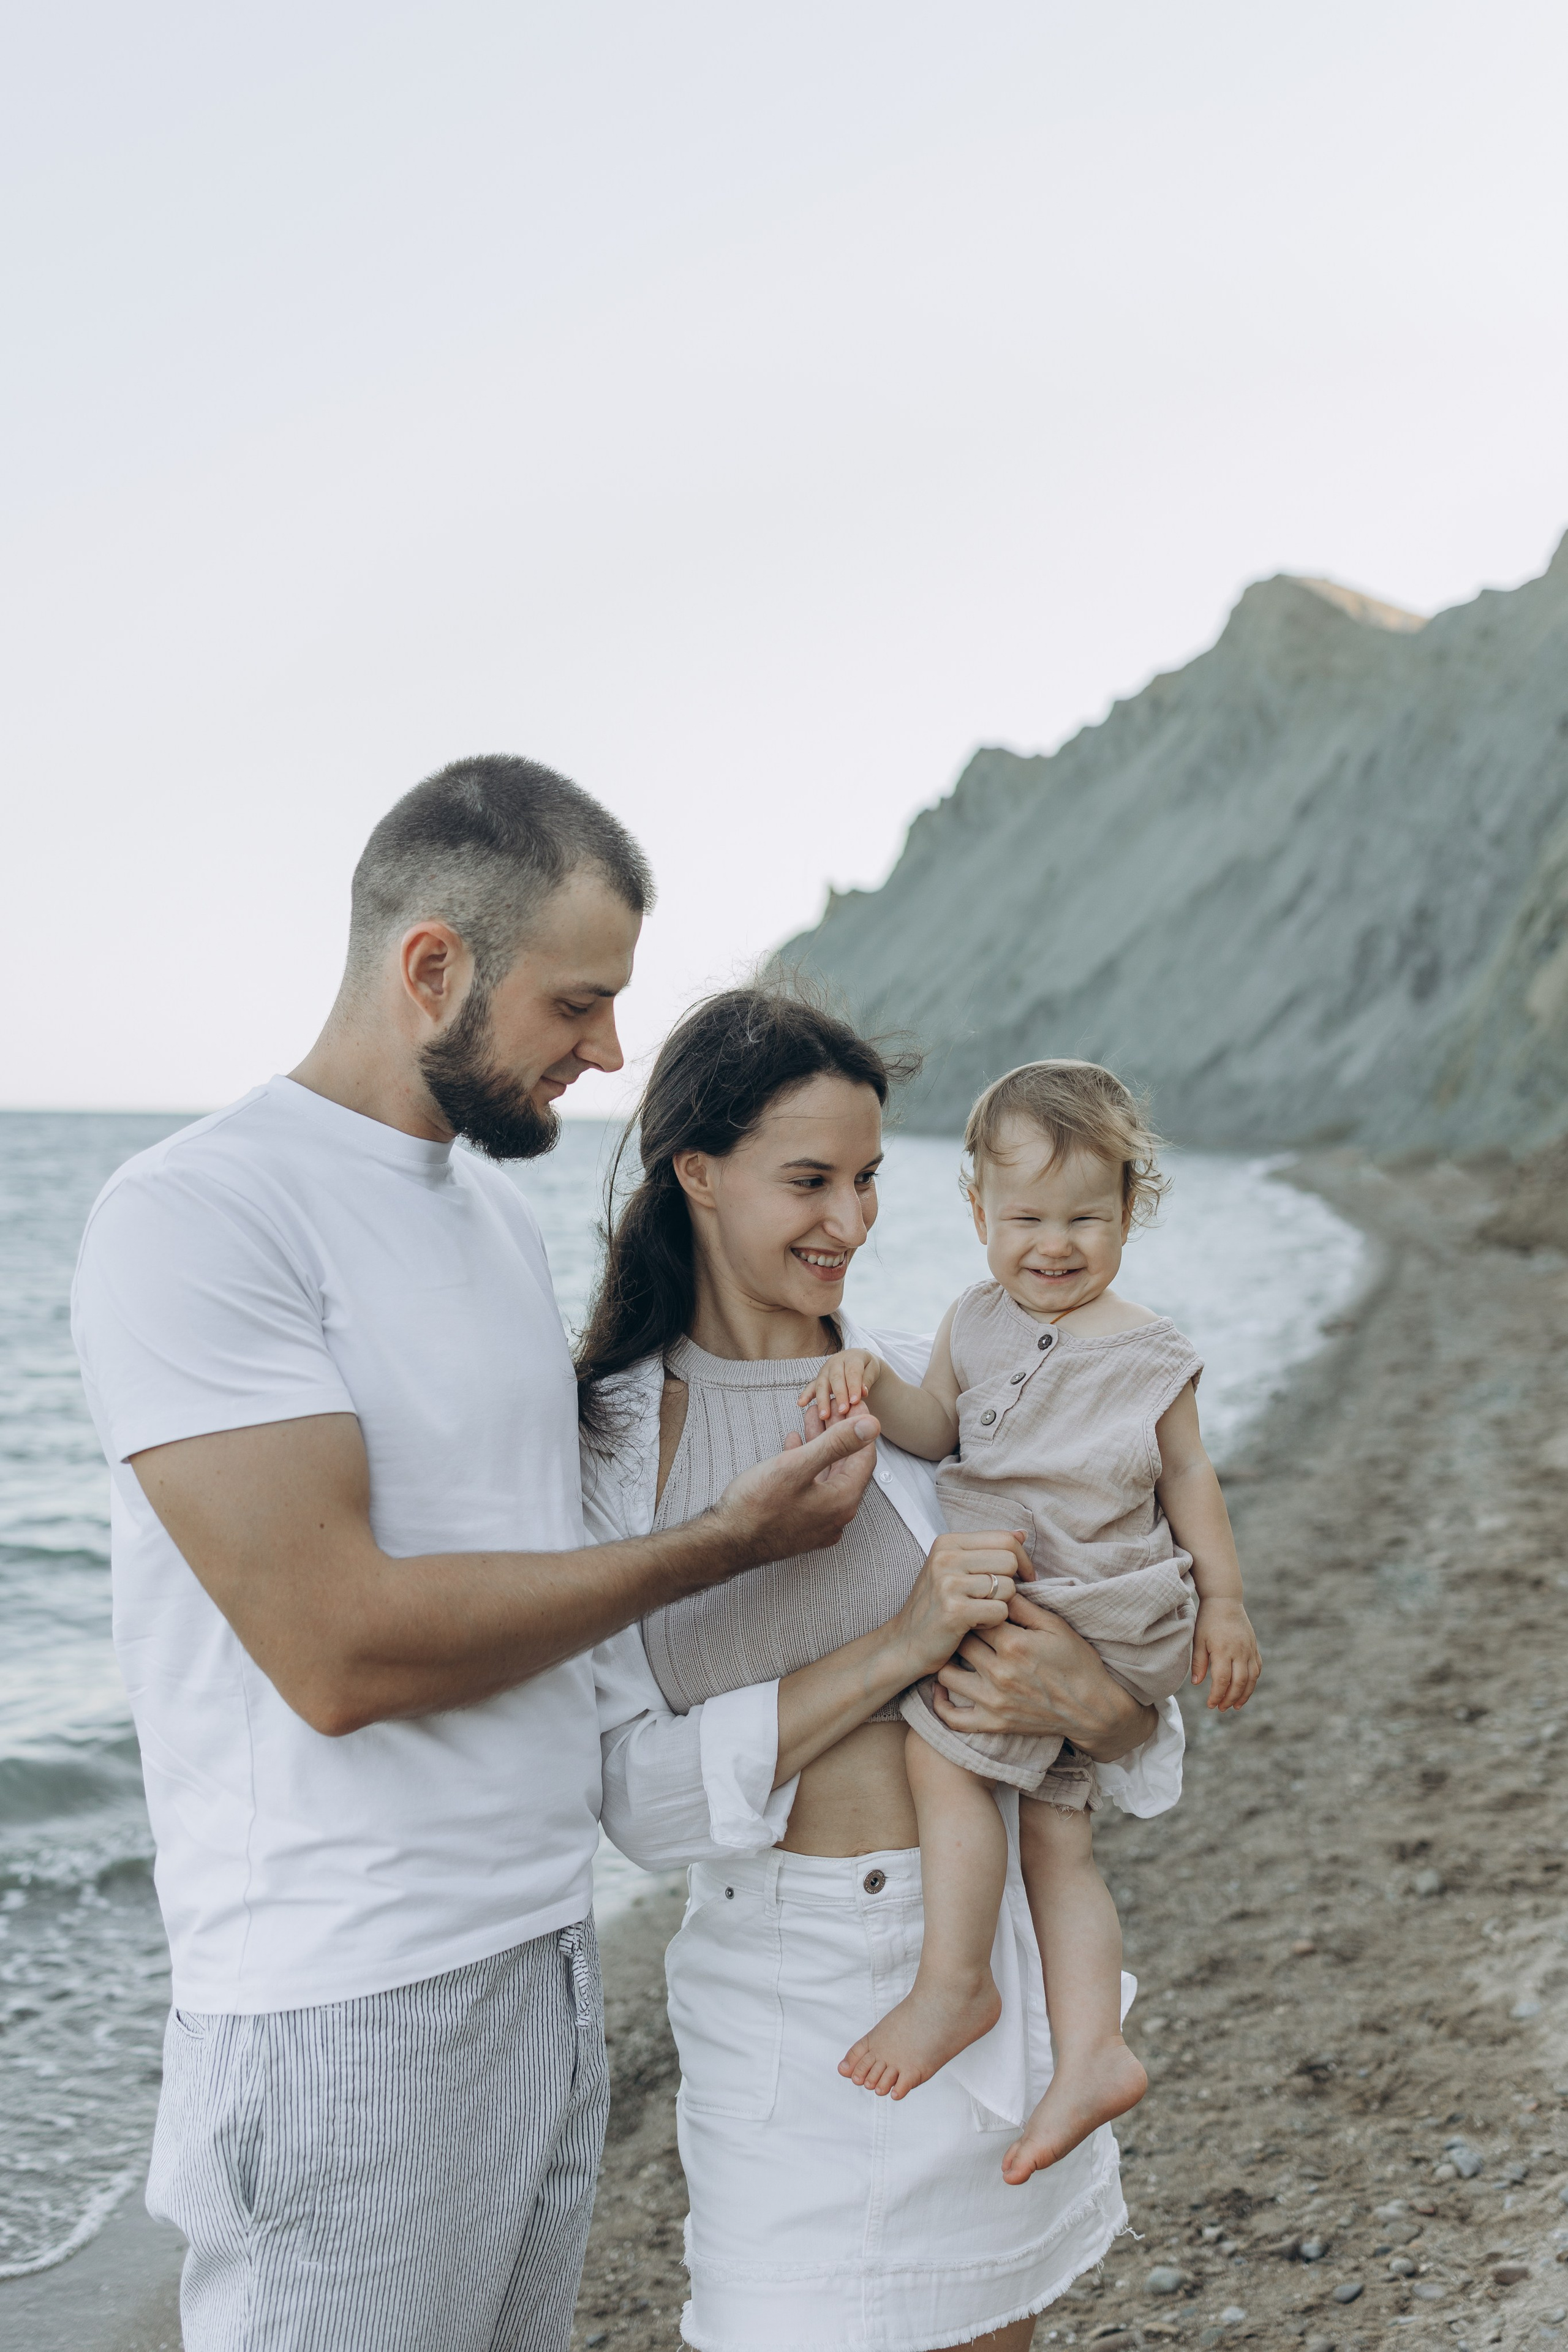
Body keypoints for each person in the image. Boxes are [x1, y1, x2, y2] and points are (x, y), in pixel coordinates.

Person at [69, 758, 900, 2352]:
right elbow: (339, 1647)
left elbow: (554, 1580)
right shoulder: (200, 1215)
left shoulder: (491, 1224)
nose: (610, 1051)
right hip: (344, 2006)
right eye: (577, 1006)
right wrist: (724, 1545)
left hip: (543, 1964)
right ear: (432, 966)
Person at [580, 989, 1189, 2352]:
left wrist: (1098, 1710)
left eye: (865, 1180)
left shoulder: (931, 1398)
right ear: (695, 1171)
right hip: (788, 2010)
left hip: (988, 1964)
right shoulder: (609, 1445)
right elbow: (632, 1803)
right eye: (807, 1181)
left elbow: (1128, 1721)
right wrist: (900, 1645)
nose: (849, 1223)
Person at [802, 1059, 1262, 2185]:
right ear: (976, 1213)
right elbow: (934, 1429)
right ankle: (1094, 2050)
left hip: (1094, 1600)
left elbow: (1191, 1478)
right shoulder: (974, 1322)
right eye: (1024, 1219)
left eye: (1085, 1220)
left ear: (1129, 1212)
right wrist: (859, 1370)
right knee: (1059, 1838)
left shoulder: (1149, 1349)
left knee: (941, 1753)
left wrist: (1229, 1604)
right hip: (1054, 1596)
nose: (1053, 1247)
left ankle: (956, 1983)